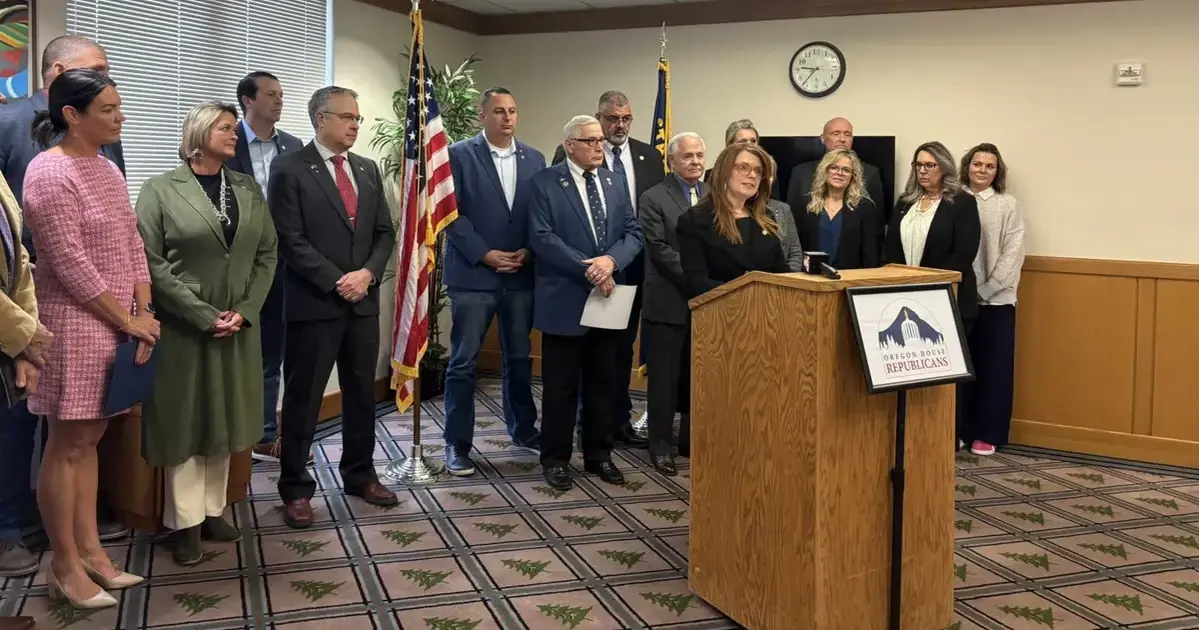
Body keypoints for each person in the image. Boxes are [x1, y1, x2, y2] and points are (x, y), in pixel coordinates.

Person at [22, 68, 158, 609]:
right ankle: (63, 565)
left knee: (91, 441)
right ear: (71, 116)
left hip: (119, 323)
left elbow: (132, 243)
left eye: (118, 106)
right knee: (68, 445)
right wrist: (129, 321)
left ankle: (92, 553)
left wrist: (144, 310)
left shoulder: (105, 168)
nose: (119, 117)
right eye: (108, 109)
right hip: (74, 325)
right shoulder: (48, 173)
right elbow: (70, 264)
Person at [0, 36, 128, 579]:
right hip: (25, 304)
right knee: (15, 425)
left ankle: (82, 539)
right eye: (95, 71)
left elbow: (121, 224)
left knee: (81, 434)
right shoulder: (10, 122)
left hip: (96, 308)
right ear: (57, 74)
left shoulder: (102, 140)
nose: (107, 80)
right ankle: (10, 530)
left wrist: (134, 308)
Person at [135, 101, 279, 564]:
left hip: (238, 326)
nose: (234, 133)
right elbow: (150, 263)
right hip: (185, 329)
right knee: (186, 424)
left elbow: (267, 253)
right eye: (224, 127)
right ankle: (184, 523)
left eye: (234, 127)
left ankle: (214, 510)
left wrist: (246, 309)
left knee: (227, 420)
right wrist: (201, 313)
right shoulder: (159, 190)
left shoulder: (246, 187)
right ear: (198, 133)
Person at [269, 86, 398, 528]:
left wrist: (367, 275)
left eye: (358, 119)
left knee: (363, 394)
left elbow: (385, 232)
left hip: (362, 303)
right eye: (347, 117)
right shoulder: (290, 168)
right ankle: (296, 489)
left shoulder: (366, 169)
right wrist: (335, 279)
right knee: (303, 400)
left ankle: (360, 474)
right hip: (314, 303)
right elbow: (290, 239)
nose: (355, 126)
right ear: (320, 119)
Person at [530, 115, 643, 491]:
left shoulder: (614, 180)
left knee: (603, 381)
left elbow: (633, 231)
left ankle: (599, 454)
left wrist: (610, 262)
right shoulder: (545, 183)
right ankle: (556, 458)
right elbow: (543, 238)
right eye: (591, 141)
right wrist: (590, 269)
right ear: (569, 145)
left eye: (600, 141)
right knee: (560, 386)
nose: (599, 147)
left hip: (608, 296)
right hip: (565, 296)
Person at [442, 87, 544, 476]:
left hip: (520, 273)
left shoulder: (534, 157)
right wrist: (483, 252)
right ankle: (457, 444)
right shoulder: (457, 155)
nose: (507, 117)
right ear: (482, 116)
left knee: (519, 358)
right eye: (499, 111)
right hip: (473, 274)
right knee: (464, 363)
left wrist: (529, 251)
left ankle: (522, 430)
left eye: (513, 110)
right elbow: (449, 212)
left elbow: (542, 213)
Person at [553, 91, 661, 447]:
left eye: (626, 118)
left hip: (629, 268)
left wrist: (618, 260)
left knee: (620, 349)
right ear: (599, 118)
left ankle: (616, 420)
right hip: (585, 272)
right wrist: (596, 265)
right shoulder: (569, 153)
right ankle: (585, 424)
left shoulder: (649, 156)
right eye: (612, 118)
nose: (620, 125)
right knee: (584, 352)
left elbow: (645, 222)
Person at [225, 71, 303, 464]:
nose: (279, 101)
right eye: (271, 95)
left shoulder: (293, 146)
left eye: (281, 94)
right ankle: (243, 432)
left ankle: (268, 434)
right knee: (242, 352)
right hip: (239, 265)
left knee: (276, 350)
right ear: (247, 101)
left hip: (286, 263)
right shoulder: (225, 140)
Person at [884, 141, 981, 448]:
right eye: (918, 165)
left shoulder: (961, 203)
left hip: (947, 300)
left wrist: (929, 285)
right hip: (905, 302)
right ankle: (915, 438)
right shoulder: (904, 202)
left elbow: (964, 252)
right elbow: (890, 249)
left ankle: (948, 438)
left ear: (944, 168)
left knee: (946, 378)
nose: (923, 171)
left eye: (930, 165)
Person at [0, 156, 52, 621]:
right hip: (9, 331)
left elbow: (19, 261)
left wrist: (25, 334)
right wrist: (25, 334)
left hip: (9, 335)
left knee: (15, 433)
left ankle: (12, 524)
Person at [638, 132, 706, 475]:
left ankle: (691, 440)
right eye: (688, 156)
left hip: (708, 303)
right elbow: (658, 248)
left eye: (699, 155)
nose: (695, 161)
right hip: (667, 299)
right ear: (672, 161)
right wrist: (699, 276)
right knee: (664, 379)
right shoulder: (653, 197)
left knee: (697, 375)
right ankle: (660, 445)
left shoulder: (714, 195)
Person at [959, 143, 1025, 456]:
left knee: (993, 369)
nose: (982, 170)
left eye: (990, 166)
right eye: (977, 164)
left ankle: (987, 432)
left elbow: (1013, 252)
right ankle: (958, 429)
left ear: (997, 172)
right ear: (966, 167)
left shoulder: (1007, 204)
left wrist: (985, 290)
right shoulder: (953, 199)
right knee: (961, 368)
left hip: (996, 302)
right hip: (959, 299)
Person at [677, 143, 790, 297]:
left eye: (758, 171)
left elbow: (781, 271)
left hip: (768, 312)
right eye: (743, 167)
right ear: (724, 171)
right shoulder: (696, 219)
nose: (752, 175)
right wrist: (744, 292)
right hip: (719, 313)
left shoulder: (765, 217)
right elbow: (696, 282)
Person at [793, 148, 880, 269]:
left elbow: (869, 252)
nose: (839, 173)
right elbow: (797, 247)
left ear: (853, 176)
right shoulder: (806, 204)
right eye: (834, 167)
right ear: (825, 171)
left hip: (849, 278)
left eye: (846, 170)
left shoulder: (864, 207)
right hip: (812, 277)